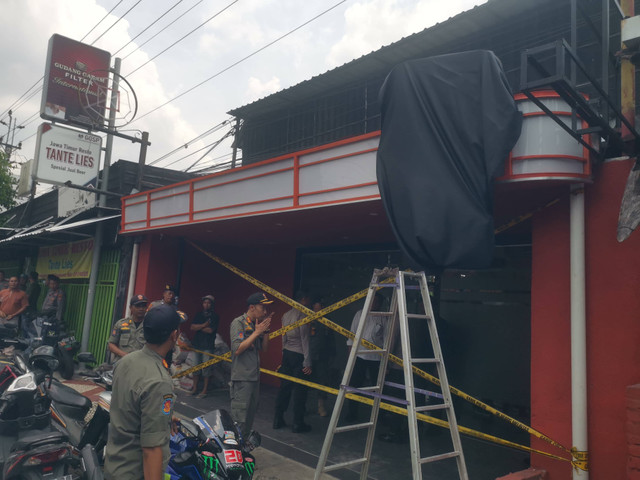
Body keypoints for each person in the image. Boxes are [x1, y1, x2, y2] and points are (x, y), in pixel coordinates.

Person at [104, 304, 181, 480]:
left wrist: (165, 418)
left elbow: (131, 406)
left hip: (115, 465)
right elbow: (151, 449)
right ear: (173, 335)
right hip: (135, 472)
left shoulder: (127, 361)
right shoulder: (159, 381)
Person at [230, 292, 272, 437]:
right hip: (242, 378)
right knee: (239, 419)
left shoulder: (255, 325)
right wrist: (256, 333)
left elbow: (264, 348)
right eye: (263, 307)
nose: (265, 312)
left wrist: (265, 331)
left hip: (254, 377)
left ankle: (243, 446)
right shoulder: (239, 323)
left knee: (249, 417)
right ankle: (235, 450)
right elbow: (237, 349)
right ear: (252, 307)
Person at [273, 291, 313, 433]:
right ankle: (297, 423)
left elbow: (283, 336)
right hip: (299, 355)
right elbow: (305, 340)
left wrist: (284, 353)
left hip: (288, 354)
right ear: (303, 299)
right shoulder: (303, 315)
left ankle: (278, 418)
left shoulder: (286, 315)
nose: (309, 302)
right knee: (300, 391)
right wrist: (307, 362)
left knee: (285, 387)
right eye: (308, 299)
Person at [345, 293, 388, 422]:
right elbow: (351, 336)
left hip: (376, 358)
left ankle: (378, 415)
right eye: (372, 301)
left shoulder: (384, 317)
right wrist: (350, 358)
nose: (374, 303)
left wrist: (386, 362)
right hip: (359, 356)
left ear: (380, 303)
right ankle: (352, 413)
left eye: (377, 301)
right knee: (354, 385)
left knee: (378, 388)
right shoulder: (360, 314)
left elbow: (386, 340)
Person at [189, 294, 219, 397]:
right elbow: (192, 327)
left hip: (208, 346)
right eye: (204, 302)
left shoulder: (214, 316)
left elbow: (210, 330)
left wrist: (199, 327)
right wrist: (203, 325)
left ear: (212, 304)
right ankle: (195, 388)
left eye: (208, 303)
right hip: (197, 344)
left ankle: (204, 390)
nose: (206, 304)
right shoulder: (199, 315)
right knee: (195, 367)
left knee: (206, 369)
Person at [310, 298, 335, 417]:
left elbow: (331, 339)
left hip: (323, 357)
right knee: (304, 382)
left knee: (322, 381)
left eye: (320, 307)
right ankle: (302, 407)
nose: (317, 310)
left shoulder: (327, 321)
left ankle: (321, 406)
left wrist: (332, 355)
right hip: (308, 356)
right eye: (315, 307)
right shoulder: (308, 320)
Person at [107, 294, 149, 362]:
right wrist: (124, 355)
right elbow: (111, 344)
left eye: (143, 306)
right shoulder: (121, 324)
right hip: (122, 361)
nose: (141, 309)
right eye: (137, 306)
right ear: (130, 307)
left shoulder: (150, 325)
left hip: (142, 363)